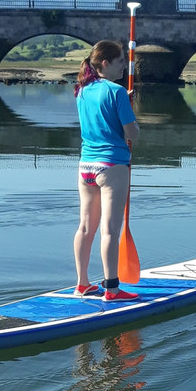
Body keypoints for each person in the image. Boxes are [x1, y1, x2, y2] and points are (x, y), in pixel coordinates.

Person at [73, 39, 141, 302]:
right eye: (121, 61)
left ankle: (82, 284)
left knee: (86, 227)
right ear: (105, 63)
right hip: (112, 165)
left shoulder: (81, 90)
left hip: (86, 166)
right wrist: (130, 113)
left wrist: (123, 104)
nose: (124, 66)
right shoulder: (116, 92)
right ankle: (112, 289)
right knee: (110, 229)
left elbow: (101, 117)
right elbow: (131, 132)